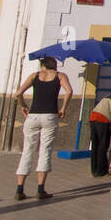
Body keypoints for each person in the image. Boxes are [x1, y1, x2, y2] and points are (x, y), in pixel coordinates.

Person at [13, 57, 73, 201]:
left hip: (33, 116)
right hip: (50, 116)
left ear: (42, 65)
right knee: (45, 150)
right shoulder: (60, 76)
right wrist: (63, 108)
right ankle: (40, 189)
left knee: (27, 150)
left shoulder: (34, 76)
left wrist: (23, 106)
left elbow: (18, 93)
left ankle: (19, 189)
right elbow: (69, 91)